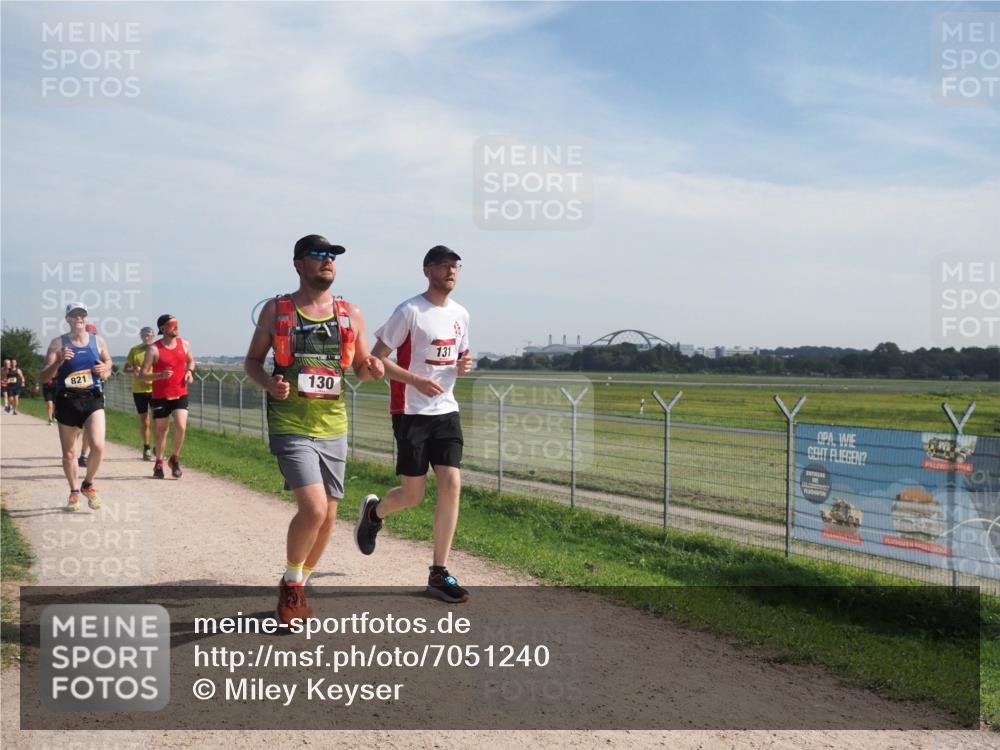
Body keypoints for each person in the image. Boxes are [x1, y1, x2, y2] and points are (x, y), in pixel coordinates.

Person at [244, 234, 384, 626]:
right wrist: (270, 384)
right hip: (291, 422)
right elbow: (253, 362)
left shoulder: (351, 313)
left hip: (333, 425)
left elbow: (360, 367)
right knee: (314, 507)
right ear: (298, 264)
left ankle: (298, 585)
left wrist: (371, 369)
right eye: (319, 255)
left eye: (332, 256)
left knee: (328, 518)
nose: (328, 261)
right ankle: (291, 585)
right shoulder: (278, 310)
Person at [355, 245, 473, 604]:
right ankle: (374, 513)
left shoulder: (461, 314)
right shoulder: (409, 311)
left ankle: (439, 572)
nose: (451, 271)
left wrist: (464, 365)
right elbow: (376, 360)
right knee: (414, 495)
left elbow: (460, 355)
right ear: (427, 270)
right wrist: (415, 381)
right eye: (443, 266)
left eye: (455, 266)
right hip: (410, 410)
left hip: (446, 409)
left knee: (452, 482)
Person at [38, 303, 112, 511]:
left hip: (92, 399)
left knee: (98, 445)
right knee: (69, 454)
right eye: (74, 315)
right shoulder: (57, 343)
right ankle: (74, 491)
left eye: (82, 315)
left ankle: (88, 483)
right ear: (67, 319)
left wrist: (105, 367)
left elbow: (108, 362)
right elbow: (43, 377)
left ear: (86, 319)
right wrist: (58, 363)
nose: (79, 318)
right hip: (67, 401)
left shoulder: (98, 341)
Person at [140, 314, 195, 479]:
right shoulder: (154, 349)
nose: (176, 327)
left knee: (181, 426)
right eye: (172, 324)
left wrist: (189, 372)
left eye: (177, 324)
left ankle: (175, 459)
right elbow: (143, 374)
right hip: (160, 396)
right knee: (162, 430)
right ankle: (159, 463)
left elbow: (191, 361)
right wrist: (159, 376)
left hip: (180, 393)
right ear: (163, 329)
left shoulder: (185, 344)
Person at [124, 327, 156, 460]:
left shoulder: (156, 350)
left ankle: (158, 447)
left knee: (158, 421)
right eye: (144, 335)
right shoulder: (135, 350)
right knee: (145, 421)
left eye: (149, 335)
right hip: (139, 390)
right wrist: (134, 369)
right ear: (141, 336)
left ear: (153, 336)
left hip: (155, 389)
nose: (146, 337)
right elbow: (126, 368)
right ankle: (146, 447)